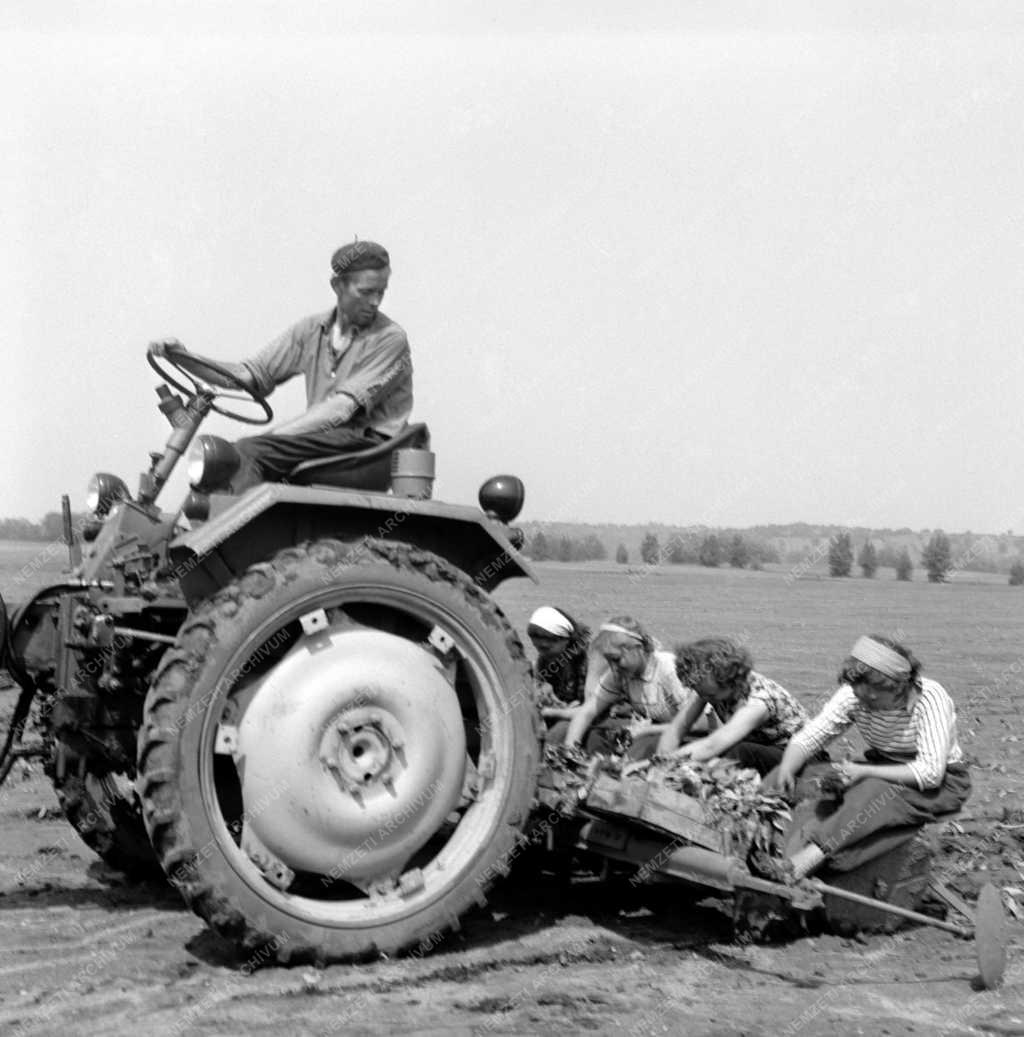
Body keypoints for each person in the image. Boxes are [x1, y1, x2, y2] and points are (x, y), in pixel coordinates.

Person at [151, 240, 413, 492]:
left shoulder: (389, 339)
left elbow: (340, 409)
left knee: (247, 452)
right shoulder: (311, 331)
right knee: (220, 461)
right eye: (366, 292)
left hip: (366, 446)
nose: (376, 301)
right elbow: (246, 376)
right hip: (326, 439)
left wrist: (276, 436)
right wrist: (183, 356)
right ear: (337, 286)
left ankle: (243, 535)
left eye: (381, 292)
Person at [765, 634, 970, 879]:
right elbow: (810, 737)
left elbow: (930, 773)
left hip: (941, 781)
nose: (865, 703)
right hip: (883, 764)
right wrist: (787, 767)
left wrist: (863, 772)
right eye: (860, 696)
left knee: (872, 793)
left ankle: (810, 858)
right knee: (808, 779)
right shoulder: (855, 695)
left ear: (898, 686)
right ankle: (768, 842)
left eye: (873, 698)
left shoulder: (930, 698)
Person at [658, 637, 812, 776]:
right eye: (700, 693)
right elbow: (679, 727)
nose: (704, 698)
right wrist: (660, 760)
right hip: (760, 748)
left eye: (710, 695)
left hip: (798, 756)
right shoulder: (709, 689)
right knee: (695, 751)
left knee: (741, 751)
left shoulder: (758, 702)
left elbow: (712, 745)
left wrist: (669, 763)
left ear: (729, 680)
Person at [560, 616, 688, 758]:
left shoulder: (667, 669)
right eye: (608, 661)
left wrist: (647, 730)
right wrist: (570, 748)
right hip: (657, 729)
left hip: (688, 734)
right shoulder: (619, 675)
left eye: (616, 659)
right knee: (595, 736)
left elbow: (698, 723)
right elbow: (587, 712)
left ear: (638, 648)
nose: (613, 667)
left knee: (644, 745)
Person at [526, 606, 593, 721]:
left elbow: (592, 707)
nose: (540, 652)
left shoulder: (590, 663)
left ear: (565, 640)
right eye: (536, 647)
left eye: (545, 648)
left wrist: (561, 711)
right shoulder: (545, 661)